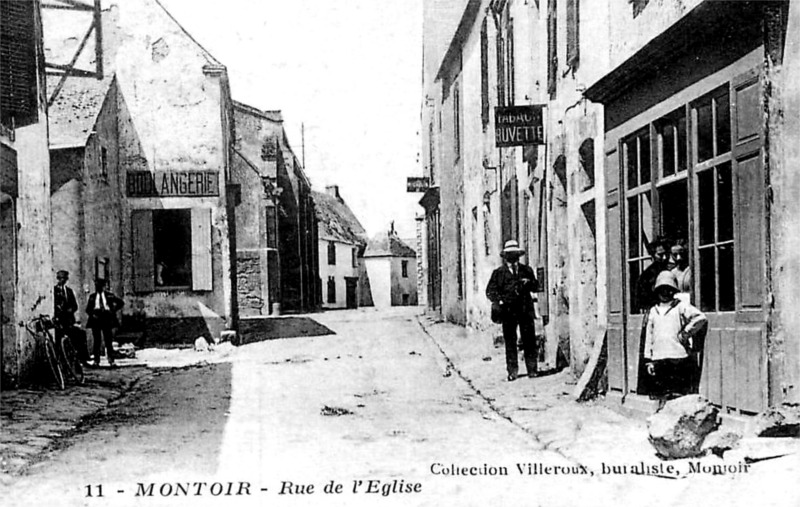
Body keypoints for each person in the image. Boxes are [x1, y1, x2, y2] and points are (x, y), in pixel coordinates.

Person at [643, 271, 707, 402]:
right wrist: (649, 360)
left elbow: (700, 318)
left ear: (673, 291)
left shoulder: (680, 306)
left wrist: (685, 333)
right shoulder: (653, 312)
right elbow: (649, 337)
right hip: (659, 357)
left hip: (677, 356)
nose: (665, 293)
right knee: (661, 393)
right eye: (662, 290)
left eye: (668, 290)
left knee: (677, 392)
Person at [486, 240, 540, 382]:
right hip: (508, 311)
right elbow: (490, 291)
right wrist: (499, 300)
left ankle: (532, 369)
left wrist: (529, 283)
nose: (513, 257)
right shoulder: (498, 273)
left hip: (525, 309)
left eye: (515, 255)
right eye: (510, 255)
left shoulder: (526, 270)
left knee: (529, 339)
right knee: (510, 341)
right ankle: (512, 371)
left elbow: (536, 287)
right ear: (505, 257)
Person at [86, 278, 124, 368]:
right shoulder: (92, 297)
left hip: (106, 318)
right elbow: (88, 309)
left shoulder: (109, 296)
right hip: (96, 319)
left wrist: (113, 310)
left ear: (103, 286)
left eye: (100, 286)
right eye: (97, 286)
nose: (99, 287)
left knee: (108, 340)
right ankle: (96, 361)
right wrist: (93, 314)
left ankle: (111, 360)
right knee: (97, 341)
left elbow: (120, 303)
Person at [53, 270, 89, 364]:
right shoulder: (54, 291)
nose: (62, 280)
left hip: (69, 321)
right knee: (61, 343)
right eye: (60, 278)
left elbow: (75, 306)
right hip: (60, 323)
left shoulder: (69, 291)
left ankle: (82, 359)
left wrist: (71, 310)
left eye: (64, 278)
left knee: (80, 335)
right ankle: (62, 362)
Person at [635, 237, 671, 313]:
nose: (664, 258)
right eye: (660, 255)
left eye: (666, 254)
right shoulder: (647, 275)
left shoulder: (673, 269)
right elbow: (641, 299)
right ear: (653, 255)